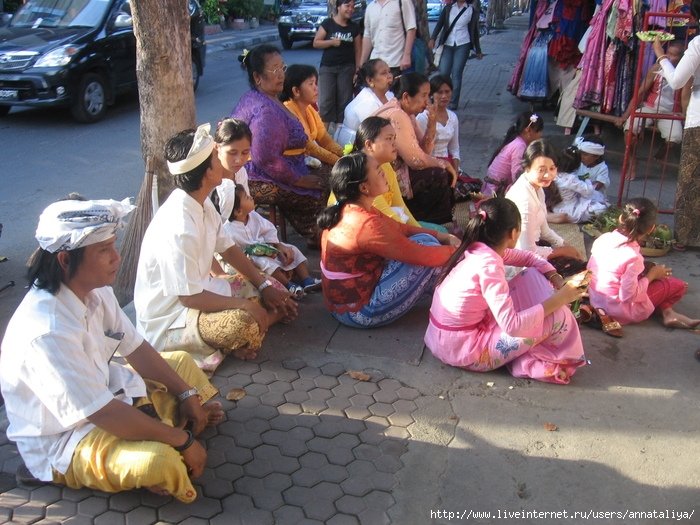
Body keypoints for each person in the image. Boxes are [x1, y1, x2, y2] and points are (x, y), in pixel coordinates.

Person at [0, 197, 224, 503]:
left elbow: (136, 348)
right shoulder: (47, 331)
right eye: (104, 250)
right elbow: (102, 412)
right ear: (65, 260)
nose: (116, 258)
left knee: (181, 365)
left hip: (108, 394)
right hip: (69, 438)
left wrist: (186, 393)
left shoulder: (97, 293)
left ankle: (171, 419)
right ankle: (169, 432)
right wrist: (182, 441)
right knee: (159, 463)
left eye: (113, 246)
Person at [135, 124, 296, 371]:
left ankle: (257, 325)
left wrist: (264, 286)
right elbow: (188, 297)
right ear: (205, 171)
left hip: (203, 291)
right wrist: (247, 306)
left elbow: (229, 249)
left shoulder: (202, 203)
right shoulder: (179, 225)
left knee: (274, 287)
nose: (221, 160)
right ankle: (259, 325)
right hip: (172, 318)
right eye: (214, 156)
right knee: (242, 323)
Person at [425, 197, 587, 384]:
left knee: (533, 275)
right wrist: (560, 298)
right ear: (513, 233)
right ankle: (543, 359)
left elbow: (530, 259)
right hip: (464, 350)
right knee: (558, 316)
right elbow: (513, 326)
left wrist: (553, 275)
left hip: (444, 338)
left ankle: (529, 349)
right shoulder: (490, 265)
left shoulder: (480, 249)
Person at [318, 152, 460, 328]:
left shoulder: (354, 207)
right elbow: (420, 255)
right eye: (378, 170)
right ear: (364, 188)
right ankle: (461, 297)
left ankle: (454, 293)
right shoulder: (365, 224)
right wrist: (460, 251)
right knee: (427, 257)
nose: (384, 172)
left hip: (346, 300)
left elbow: (401, 228)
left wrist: (442, 236)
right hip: (358, 312)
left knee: (425, 239)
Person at [231, 44, 326, 247]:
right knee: (321, 185)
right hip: (257, 175)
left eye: (282, 68)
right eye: (274, 70)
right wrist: (299, 180)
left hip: (274, 167)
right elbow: (265, 158)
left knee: (329, 174)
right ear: (258, 77)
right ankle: (318, 234)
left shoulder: (264, 98)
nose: (281, 74)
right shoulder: (265, 110)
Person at [587, 197, 700, 329]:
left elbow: (594, 270)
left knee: (654, 278)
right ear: (651, 229)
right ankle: (666, 312)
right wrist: (651, 275)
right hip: (618, 311)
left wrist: (646, 272)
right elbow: (627, 296)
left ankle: (668, 313)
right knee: (678, 285)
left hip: (597, 300)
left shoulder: (603, 238)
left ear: (620, 219)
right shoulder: (633, 257)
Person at [374, 72, 458, 225]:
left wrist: (432, 122)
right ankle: (435, 223)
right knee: (439, 174)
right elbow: (416, 161)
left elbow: (424, 152)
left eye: (428, 96)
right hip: (382, 173)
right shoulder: (397, 114)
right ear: (406, 97)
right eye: (424, 96)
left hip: (396, 170)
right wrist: (443, 163)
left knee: (442, 172)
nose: (427, 102)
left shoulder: (407, 113)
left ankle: (435, 223)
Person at [219, 183, 321, 297]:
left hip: (268, 247)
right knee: (264, 262)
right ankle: (289, 285)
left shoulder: (254, 216)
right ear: (238, 211)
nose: (251, 197)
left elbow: (268, 229)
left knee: (293, 249)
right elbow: (235, 253)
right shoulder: (229, 230)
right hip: (253, 258)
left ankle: (307, 280)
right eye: (247, 198)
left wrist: (277, 246)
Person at [653, 15, 700, 247]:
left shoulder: (698, 43)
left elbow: (677, 81)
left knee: (691, 179)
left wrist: (660, 54)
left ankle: (686, 237)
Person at [329, 116, 421, 227]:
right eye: (388, 138)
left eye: (394, 138)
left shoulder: (386, 166)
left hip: (387, 224)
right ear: (369, 145)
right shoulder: (360, 172)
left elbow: (400, 205)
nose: (394, 143)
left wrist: (422, 232)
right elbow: (390, 218)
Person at [505, 139, 583, 261]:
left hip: (531, 250)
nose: (548, 175)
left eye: (552, 168)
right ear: (527, 168)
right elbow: (527, 251)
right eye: (541, 170)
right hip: (520, 262)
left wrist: (562, 244)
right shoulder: (525, 200)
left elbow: (544, 230)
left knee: (574, 256)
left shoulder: (537, 187)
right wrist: (561, 251)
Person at [617, 40, 689, 153]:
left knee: (675, 138)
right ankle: (632, 163)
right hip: (650, 108)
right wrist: (625, 115)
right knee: (630, 131)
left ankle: (659, 156)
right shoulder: (656, 68)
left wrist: (684, 115)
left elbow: (685, 98)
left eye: (673, 55)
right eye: (668, 53)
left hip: (670, 113)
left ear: (681, 58)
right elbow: (640, 92)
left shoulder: (686, 73)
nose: (669, 57)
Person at [281, 64, 344, 174]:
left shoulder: (309, 108)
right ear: (296, 91)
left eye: (315, 83)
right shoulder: (288, 110)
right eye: (311, 84)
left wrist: (344, 153)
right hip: (289, 165)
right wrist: (339, 161)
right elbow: (310, 148)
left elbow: (324, 138)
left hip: (307, 161)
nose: (316, 88)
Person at [313, 0, 362, 130]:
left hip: (347, 68)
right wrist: (331, 42)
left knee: (344, 103)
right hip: (328, 68)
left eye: (353, 7)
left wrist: (358, 70)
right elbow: (316, 43)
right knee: (325, 102)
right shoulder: (328, 23)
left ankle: (339, 138)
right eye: (347, 6)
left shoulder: (354, 27)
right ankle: (323, 138)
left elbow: (358, 49)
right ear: (339, 6)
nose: (351, 9)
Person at [428, 0, 483, 109]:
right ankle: (439, 98)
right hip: (448, 44)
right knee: (443, 73)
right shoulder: (448, 8)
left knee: (456, 74)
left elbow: (474, 31)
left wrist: (478, 50)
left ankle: (453, 102)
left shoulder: (471, 10)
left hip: (463, 44)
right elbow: (440, 24)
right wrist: (433, 38)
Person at [482, 111, 543, 197]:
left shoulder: (516, 141)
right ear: (528, 131)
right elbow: (517, 177)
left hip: (491, 188)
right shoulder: (519, 146)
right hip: (495, 193)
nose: (541, 135)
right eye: (539, 131)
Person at [338, 59, 395, 146]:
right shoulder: (367, 102)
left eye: (389, 72)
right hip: (354, 145)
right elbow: (374, 134)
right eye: (384, 73)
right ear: (370, 80)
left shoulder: (389, 94)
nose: (390, 76)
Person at [545, 145, 606, 224]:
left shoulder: (555, 175)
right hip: (571, 210)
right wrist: (587, 180)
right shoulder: (571, 179)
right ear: (577, 165)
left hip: (557, 207)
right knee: (600, 208)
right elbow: (588, 191)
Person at [416, 74, 461, 172]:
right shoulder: (423, 117)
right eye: (440, 92)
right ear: (432, 94)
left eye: (447, 92)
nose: (444, 96)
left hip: (448, 163)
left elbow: (454, 148)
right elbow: (420, 148)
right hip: (429, 165)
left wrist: (456, 170)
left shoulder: (453, 117)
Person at [360, 0, 416, 76]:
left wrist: (407, 55)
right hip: (375, 64)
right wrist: (362, 64)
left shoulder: (403, 2)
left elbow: (411, 28)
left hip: (396, 63)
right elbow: (368, 36)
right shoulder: (370, 7)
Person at [574, 135, 610, 209]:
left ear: (597, 156)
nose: (581, 157)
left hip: (594, 196)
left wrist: (579, 188)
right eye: (581, 153)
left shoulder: (602, 168)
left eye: (585, 154)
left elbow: (597, 186)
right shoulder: (578, 163)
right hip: (577, 193)